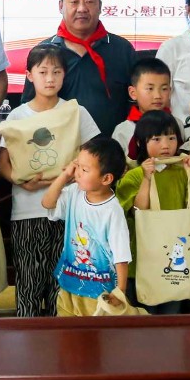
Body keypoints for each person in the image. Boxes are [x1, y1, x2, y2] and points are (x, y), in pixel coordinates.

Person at [0, 43, 100, 317]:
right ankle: (27, 343)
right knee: (28, 286)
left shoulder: (75, 112)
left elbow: (93, 156)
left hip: (69, 212)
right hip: (27, 212)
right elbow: (3, 161)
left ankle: (61, 344)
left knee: (63, 289)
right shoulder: (18, 115)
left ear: (64, 75)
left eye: (56, 72)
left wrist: (74, 174)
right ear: (29, 75)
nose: (50, 78)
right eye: (42, 72)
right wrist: (21, 181)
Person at [116, 110, 190, 314]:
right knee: (144, 314)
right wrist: (146, 178)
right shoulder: (135, 175)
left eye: (171, 138)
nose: (166, 145)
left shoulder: (182, 172)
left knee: (172, 313)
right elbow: (138, 210)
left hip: (175, 258)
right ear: (140, 143)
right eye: (156, 139)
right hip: (143, 259)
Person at [44, 136, 131, 317]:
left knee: (94, 332)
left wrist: (120, 291)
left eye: (84, 169)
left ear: (106, 178)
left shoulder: (112, 210)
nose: (77, 173)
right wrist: (64, 175)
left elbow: (121, 254)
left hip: (98, 292)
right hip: (69, 283)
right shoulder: (74, 192)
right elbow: (47, 203)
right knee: (67, 331)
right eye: (77, 165)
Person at [40, 0, 137, 136]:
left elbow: (137, 101)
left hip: (113, 146)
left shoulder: (122, 49)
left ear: (100, 6)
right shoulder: (44, 52)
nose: (82, 9)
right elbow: (30, 106)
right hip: (59, 146)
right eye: (74, 2)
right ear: (61, 6)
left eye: (89, 1)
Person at [113, 57, 173, 160]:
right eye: (150, 88)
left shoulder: (175, 124)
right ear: (133, 93)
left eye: (164, 89)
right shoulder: (123, 130)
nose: (157, 95)